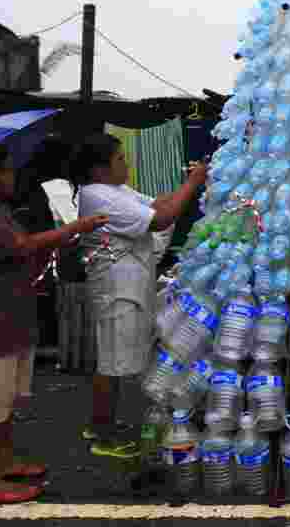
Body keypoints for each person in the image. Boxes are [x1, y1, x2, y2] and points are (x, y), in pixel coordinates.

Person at [0, 144, 108, 505]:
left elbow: (20, 252)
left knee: (6, 401)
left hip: (13, 318)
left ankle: (5, 463)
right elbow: (22, 245)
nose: (11, 176)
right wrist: (76, 228)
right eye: (3, 171)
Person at [71, 133, 208, 458]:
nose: (126, 163)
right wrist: (194, 184)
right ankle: (104, 437)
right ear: (99, 169)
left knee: (115, 359)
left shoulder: (115, 190)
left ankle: (99, 423)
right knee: (112, 363)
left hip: (127, 286)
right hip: (117, 290)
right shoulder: (99, 196)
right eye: (120, 159)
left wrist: (189, 182)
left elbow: (157, 204)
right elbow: (162, 217)